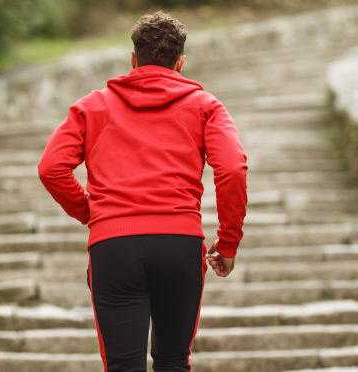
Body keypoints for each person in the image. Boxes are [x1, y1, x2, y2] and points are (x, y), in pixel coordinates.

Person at [38, 10, 247, 372]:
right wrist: (227, 243)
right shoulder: (206, 107)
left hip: (114, 247)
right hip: (179, 245)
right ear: (180, 63)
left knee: (122, 366)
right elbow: (232, 168)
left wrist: (91, 213)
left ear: (133, 60)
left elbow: (51, 168)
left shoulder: (92, 107)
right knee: (172, 362)